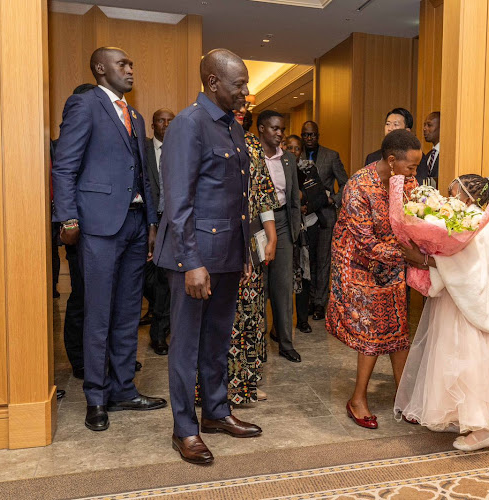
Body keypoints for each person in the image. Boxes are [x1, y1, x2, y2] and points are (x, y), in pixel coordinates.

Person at [154, 48, 262, 466]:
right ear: (213, 82)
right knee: (185, 347)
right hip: (194, 260)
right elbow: (178, 202)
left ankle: (215, 412)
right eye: (239, 84)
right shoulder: (189, 124)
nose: (246, 92)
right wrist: (191, 263)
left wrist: (245, 249)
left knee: (217, 341)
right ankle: (185, 429)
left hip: (228, 256)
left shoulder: (231, 127)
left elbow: (237, 199)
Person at [52, 47, 166, 432]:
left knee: (127, 313)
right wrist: (67, 218)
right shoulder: (84, 105)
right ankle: (96, 397)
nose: (131, 69)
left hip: (135, 225)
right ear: (101, 69)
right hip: (98, 226)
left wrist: (151, 223)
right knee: (98, 314)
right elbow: (64, 167)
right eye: (123, 64)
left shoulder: (133, 115)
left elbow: (144, 175)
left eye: (132, 64)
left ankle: (123, 390)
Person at [395, 175, 489, 452]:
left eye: (452, 194)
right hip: (458, 299)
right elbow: (456, 261)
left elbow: (463, 264)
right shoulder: (481, 223)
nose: (448, 200)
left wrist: (422, 259)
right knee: (452, 355)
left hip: (464, 304)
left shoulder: (472, 225)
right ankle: (462, 415)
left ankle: (483, 429)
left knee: (467, 357)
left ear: (467, 197)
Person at [326, 129, 423, 429]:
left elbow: (415, 218)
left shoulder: (406, 183)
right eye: (411, 167)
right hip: (357, 265)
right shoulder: (358, 187)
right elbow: (367, 243)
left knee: (397, 328)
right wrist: (414, 258)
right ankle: (357, 399)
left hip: (392, 261)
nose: (415, 173)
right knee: (371, 331)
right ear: (392, 160)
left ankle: (404, 397)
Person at [195, 106, 279, 405]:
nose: (241, 110)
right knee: (218, 318)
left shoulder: (254, 145)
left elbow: (263, 194)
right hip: (217, 240)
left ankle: (244, 385)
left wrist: (272, 235)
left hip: (250, 243)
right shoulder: (207, 137)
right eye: (236, 105)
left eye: (245, 107)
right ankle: (210, 388)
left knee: (250, 315)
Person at [53, 82, 96, 380]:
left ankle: (104, 358)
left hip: (107, 230)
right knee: (82, 296)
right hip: (78, 231)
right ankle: (79, 361)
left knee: (108, 300)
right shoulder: (58, 144)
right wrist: (69, 224)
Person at [259, 111, 302, 362]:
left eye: (282, 129)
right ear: (262, 129)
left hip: (283, 222)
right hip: (258, 225)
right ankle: (259, 345)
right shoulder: (251, 157)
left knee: (283, 286)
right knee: (260, 284)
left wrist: (294, 229)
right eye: (274, 128)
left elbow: (294, 196)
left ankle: (286, 343)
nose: (279, 133)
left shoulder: (287, 159)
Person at [300, 121, 349, 321]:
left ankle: (320, 303)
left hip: (325, 217)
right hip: (304, 218)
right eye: (306, 135)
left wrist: (334, 199)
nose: (309, 138)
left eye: (312, 135)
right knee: (307, 260)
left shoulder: (331, 156)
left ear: (318, 135)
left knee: (323, 261)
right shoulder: (296, 155)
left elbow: (346, 182)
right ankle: (309, 301)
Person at [287, 134, 326, 334]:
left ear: (301, 151)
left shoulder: (309, 169)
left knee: (305, 273)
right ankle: (282, 324)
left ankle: (302, 320)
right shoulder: (278, 167)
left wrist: (306, 206)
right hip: (286, 229)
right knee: (286, 276)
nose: (293, 152)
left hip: (308, 227)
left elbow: (320, 196)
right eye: (289, 147)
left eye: (296, 148)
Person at [144, 108, 175, 355]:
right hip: (145, 222)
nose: (165, 125)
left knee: (165, 280)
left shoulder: (179, 149)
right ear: (153, 124)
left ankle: (160, 334)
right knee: (146, 278)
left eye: (169, 121)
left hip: (172, 220)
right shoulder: (142, 149)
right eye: (161, 121)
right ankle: (155, 314)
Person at [415, 112, 440, 187]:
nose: (424, 129)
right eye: (424, 125)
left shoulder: (447, 156)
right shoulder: (428, 156)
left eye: (429, 125)